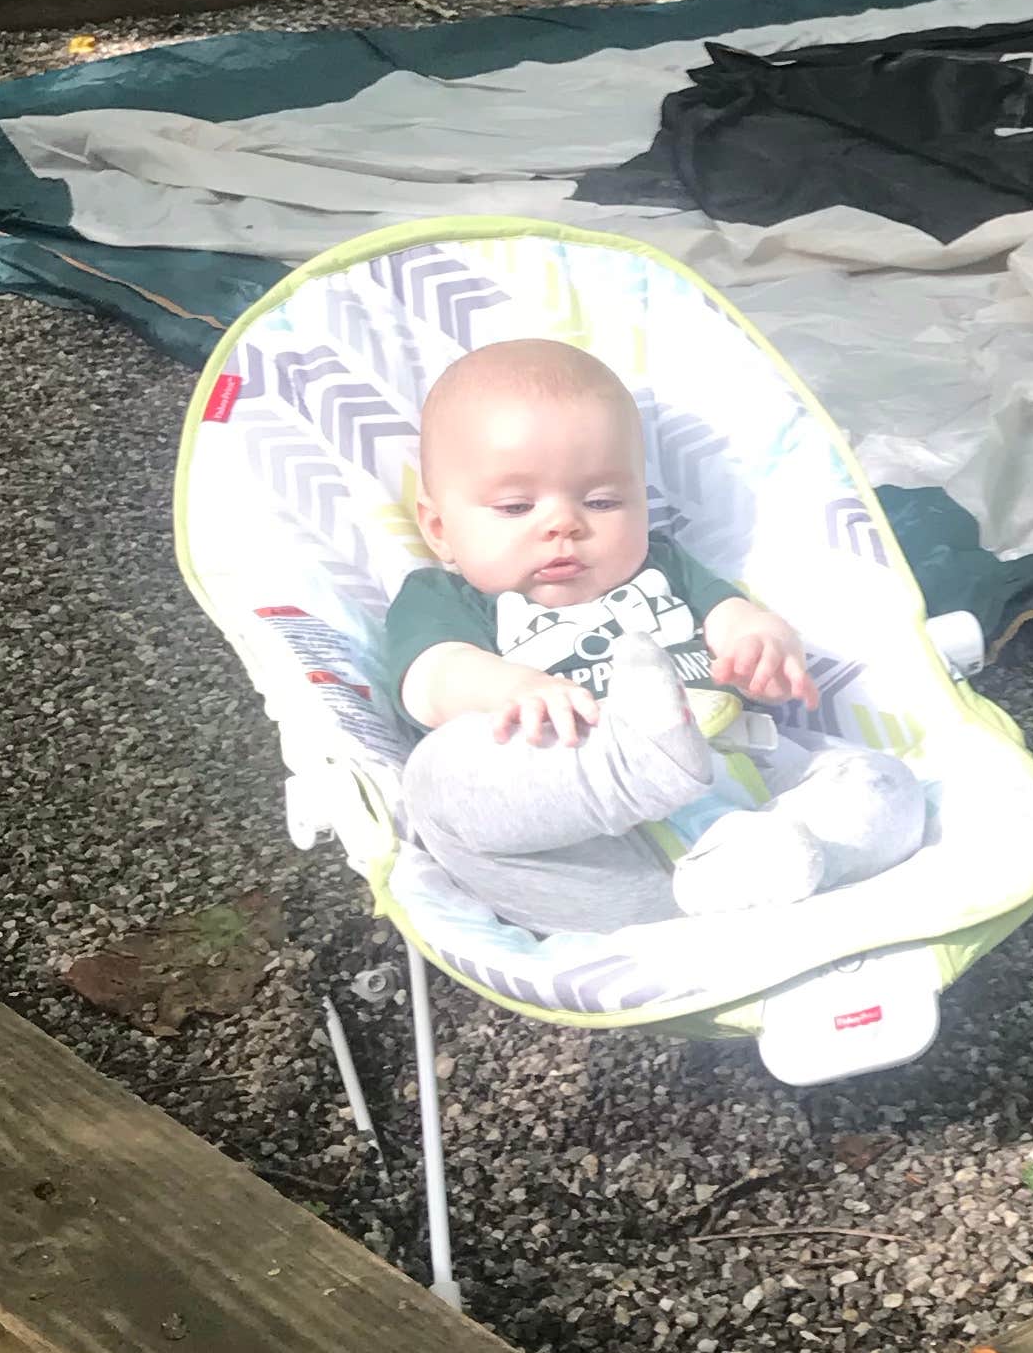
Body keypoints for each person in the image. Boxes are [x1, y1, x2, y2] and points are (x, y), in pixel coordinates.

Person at [373, 336, 925, 934]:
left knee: (881, 783)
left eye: (603, 500)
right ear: (439, 528)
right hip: (600, 852)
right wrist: (512, 687)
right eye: (514, 507)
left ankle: (795, 863)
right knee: (436, 781)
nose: (564, 523)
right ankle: (644, 765)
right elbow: (431, 679)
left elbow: (734, 617)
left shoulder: (664, 567)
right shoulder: (446, 599)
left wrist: (761, 641)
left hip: (747, 790)